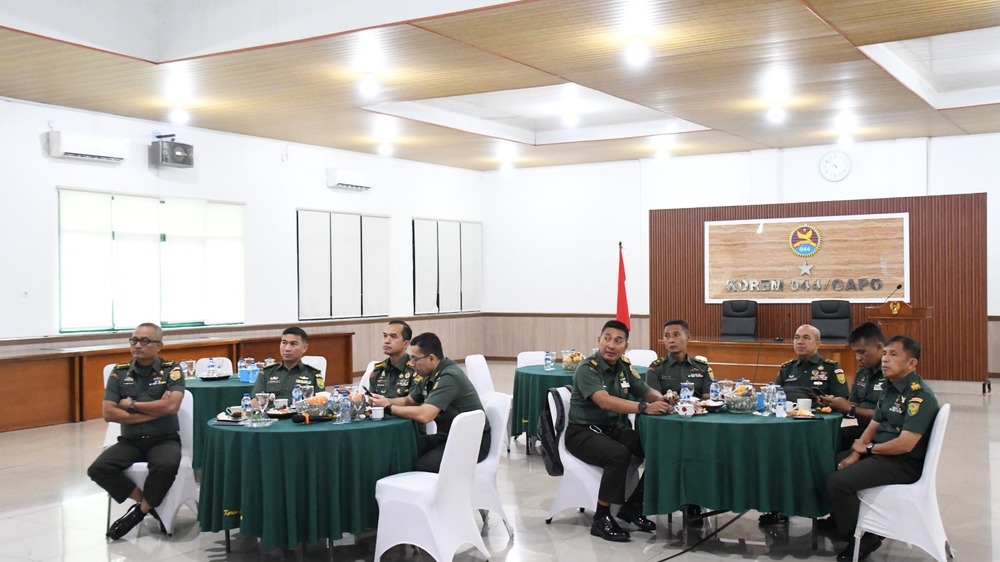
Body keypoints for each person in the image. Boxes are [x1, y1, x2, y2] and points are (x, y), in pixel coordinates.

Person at [827, 335, 940, 561]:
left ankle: (864, 537)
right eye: (885, 354)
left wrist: (867, 449)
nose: (885, 359)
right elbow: (874, 425)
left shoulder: (920, 396)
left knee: (838, 482)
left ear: (912, 363)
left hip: (903, 462)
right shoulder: (890, 388)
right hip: (883, 454)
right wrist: (856, 452)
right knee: (831, 461)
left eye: (893, 354)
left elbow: (904, 444)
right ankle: (841, 520)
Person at [566, 320, 672, 542]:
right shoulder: (587, 369)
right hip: (582, 433)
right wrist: (644, 408)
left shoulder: (623, 366)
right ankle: (601, 518)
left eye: (618, 341)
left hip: (611, 429)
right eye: (607, 339)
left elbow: (644, 390)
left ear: (626, 346)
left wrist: (664, 399)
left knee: (656, 448)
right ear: (599, 340)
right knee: (618, 455)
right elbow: (604, 402)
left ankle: (633, 507)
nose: (611, 345)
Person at [88, 323, 185, 540]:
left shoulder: (171, 370)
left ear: (159, 346)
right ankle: (148, 504)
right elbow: (109, 413)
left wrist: (131, 405)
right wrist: (155, 411)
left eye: (145, 341)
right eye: (134, 340)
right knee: (98, 469)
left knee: (166, 466)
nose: (137, 345)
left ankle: (137, 513)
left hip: (163, 439)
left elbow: (171, 406)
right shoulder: (120, 372)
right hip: (131, 440)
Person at [760, 323, 850, 526]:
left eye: (806, 338)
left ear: (818, 343)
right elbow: (775, 397)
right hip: (788, 428)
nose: (799, 342)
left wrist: (824, 401)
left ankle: (821, 507)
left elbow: (842, 401)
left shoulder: (831, 368)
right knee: (780, 462)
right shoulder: (787, 368)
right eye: (796, 337)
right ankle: (780, 507)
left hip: (816, 428)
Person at [369, 332, 490, 473]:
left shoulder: (449, 376)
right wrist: (384, 400)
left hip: (472, 441)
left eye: (414, 359)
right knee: (401, 449)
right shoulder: (429, 374)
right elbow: (409, 401)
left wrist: (389, 408)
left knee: (420, 465)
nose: (411, 364)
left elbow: (425, 415)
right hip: (447, 436)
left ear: (431, 358)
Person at [644, 318, 713, 526]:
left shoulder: (702, 367)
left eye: (676, 335)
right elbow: (654, 400)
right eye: (667, 336)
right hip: (669, 427)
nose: (671, 340)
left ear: (688, 337)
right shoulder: (656, 368)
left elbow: (709, 399)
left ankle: (695, 501)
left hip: (698, 427)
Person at [817, 322, 886, 451]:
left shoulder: (892, 374)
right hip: (862, 429)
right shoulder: (862, 372)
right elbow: (853, 404)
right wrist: (833, 404)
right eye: (855, 353)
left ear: (879, 347)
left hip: (884, 433)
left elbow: (887, 416)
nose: (858, 358)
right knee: (821, 437)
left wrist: (849, 409)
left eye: (862, 352)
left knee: (829, 446)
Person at [252, 327, 322, 402]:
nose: (287, 349)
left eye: (293, 344)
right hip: (271, 409)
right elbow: (255, 400)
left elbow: (321, 401)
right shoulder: (267, 372)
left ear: (304, 348)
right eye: (284, 343)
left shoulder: (313, 374)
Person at [367, 320, 418, 397]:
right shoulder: (378, 371)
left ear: (406, 344)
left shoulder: (415, 370)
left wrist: (386, 402)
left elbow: (414, 401)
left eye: (393, 336)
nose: (386, 341)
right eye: (385, 336)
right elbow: (371, 399)